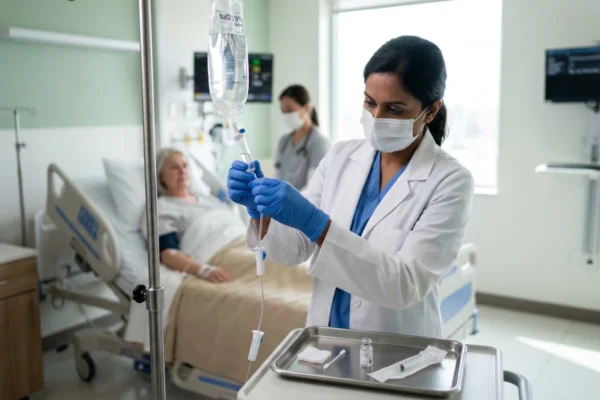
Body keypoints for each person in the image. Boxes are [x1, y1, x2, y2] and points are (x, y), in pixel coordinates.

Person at [227, 36, 474, 338]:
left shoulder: (450, 181)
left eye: (395, 109)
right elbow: (295, 249)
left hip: (397, 349)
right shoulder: (342, 156)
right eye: (370, 102)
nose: (377, 118)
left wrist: (317, 224)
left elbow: (404, 285)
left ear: (431, 111)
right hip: (325, 336)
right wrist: (260, 214)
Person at [275, 84, 330, 191]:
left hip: (303, 205)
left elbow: (314, 187)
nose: (286, 115)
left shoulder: (318, 143)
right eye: (283, 110)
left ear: (306, 108)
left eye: (290, 110)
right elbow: (276, 177)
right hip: (281, 203)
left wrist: (289, 200)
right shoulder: (284, 142)